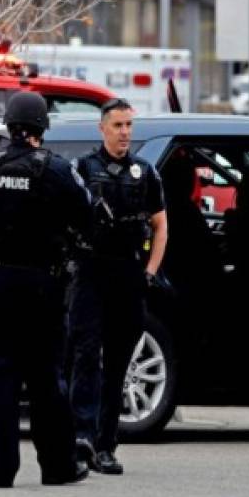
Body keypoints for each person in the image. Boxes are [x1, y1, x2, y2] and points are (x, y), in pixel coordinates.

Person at [0, 91, 91, 488]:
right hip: (43, 290)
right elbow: (88, 221)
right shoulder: (59, 172)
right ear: (41, 129)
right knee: (47, 379)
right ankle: (58, 467)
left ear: (10, 126)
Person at [68, 97, 168, 476]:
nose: (125, 132)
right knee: (85, 357)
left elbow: (160, 225)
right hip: (91, 273)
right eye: (118, 125)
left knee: (118, 366)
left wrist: (149, 272)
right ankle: (82, 438)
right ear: (102, 129)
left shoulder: (145, 172)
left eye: (129, 125)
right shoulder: (82, 169)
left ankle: (106, 445)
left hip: (128, 276)